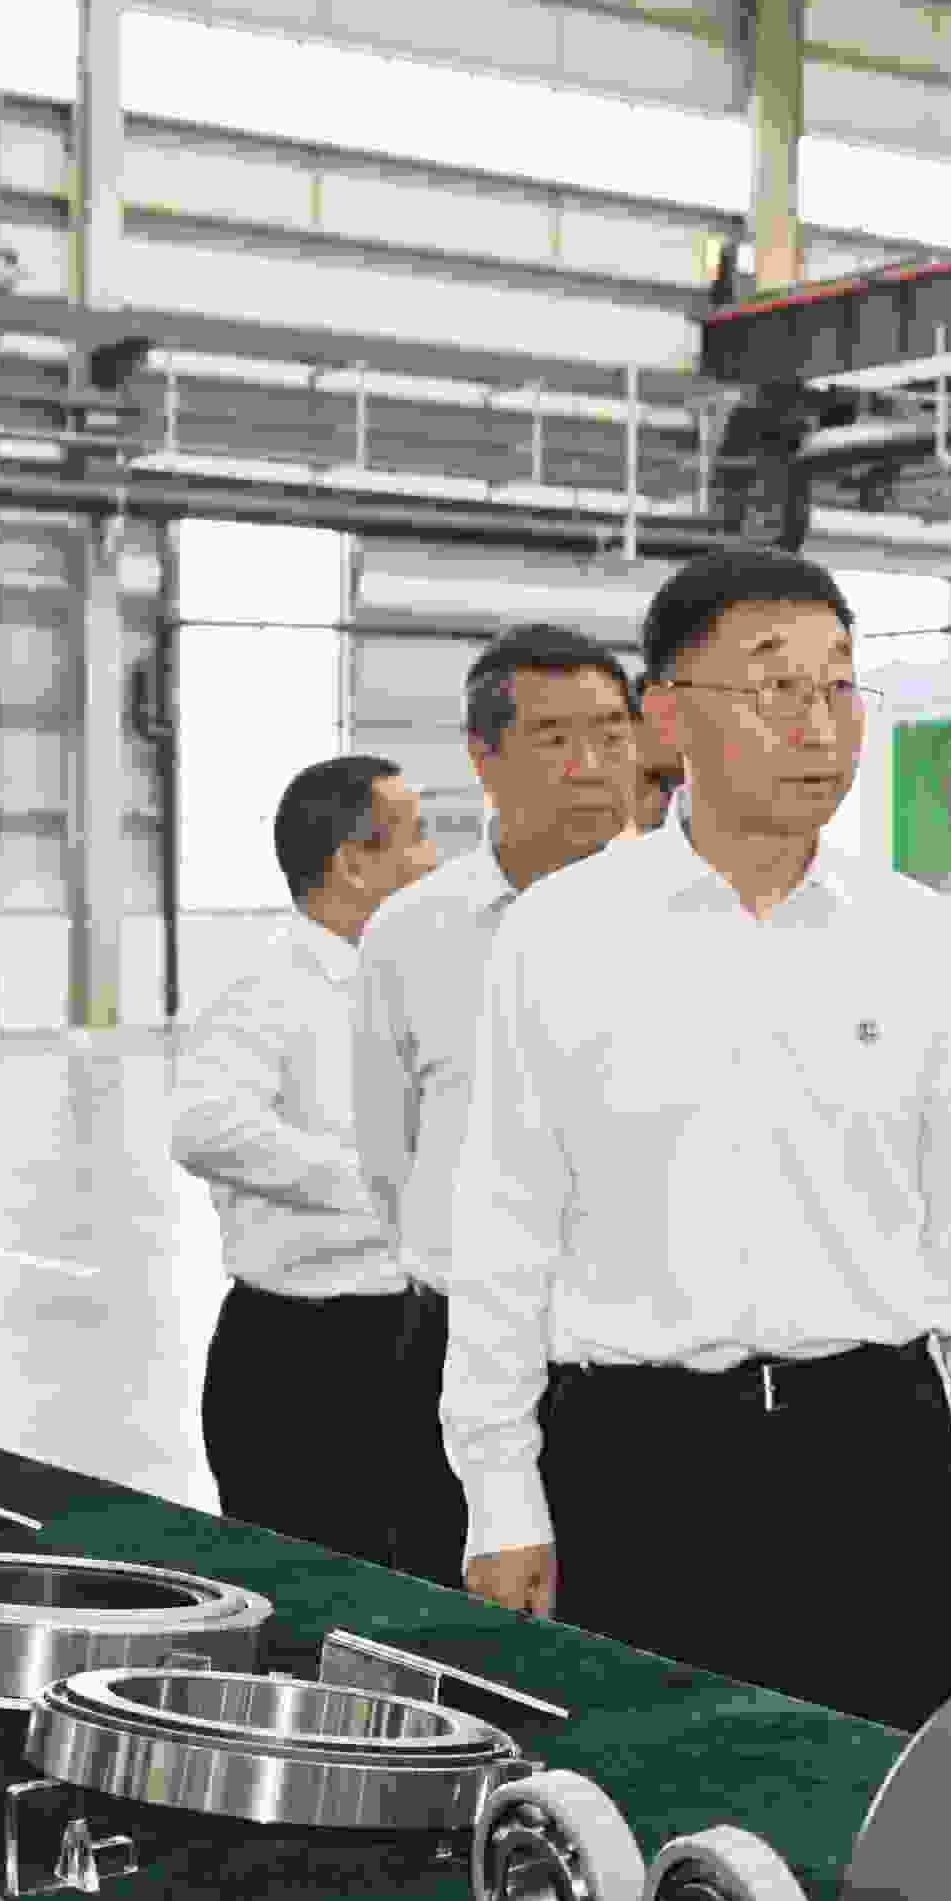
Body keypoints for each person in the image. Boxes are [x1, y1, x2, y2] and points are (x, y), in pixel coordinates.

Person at [439, 548, 951, 1732]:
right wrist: (500, 1487)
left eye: (840, 686)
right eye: (775, 687)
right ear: (669, 716)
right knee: (640, 1787)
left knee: (858, 1784)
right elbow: (507, 1221)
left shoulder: (914, 936)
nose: (820, 726)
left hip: (871, 1448)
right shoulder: (562, 935)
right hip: (639, 1457)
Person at [352, 626, 638, 1584]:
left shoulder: (695, 922)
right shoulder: (411, 935)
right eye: (555, 736)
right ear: (484, 754)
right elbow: (390, 1158)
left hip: (641, 1367)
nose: (591, 764)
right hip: (456, 1342)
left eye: (611, 733)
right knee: (458, 1628)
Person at [170, 753, 442, 1562]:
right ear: (354, 861)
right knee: (313, 1589)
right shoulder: (269, 987)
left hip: (415, 1335)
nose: (435, 859)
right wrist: (381, 1187)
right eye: (418, 836)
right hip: (308, 1358)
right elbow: (206, 1125)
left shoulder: (408, 982)